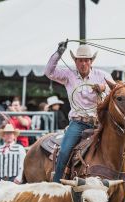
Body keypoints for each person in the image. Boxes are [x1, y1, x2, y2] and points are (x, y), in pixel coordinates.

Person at [45, 42, 113, 183]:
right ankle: (57, 185)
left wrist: (103, 88)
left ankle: (123, 190)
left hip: (99, 123)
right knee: (64, 152)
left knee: (117, 150)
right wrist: (58, 54)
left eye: (86, 60)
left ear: (91, 61)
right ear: (75, 62)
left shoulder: (102, 76)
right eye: (80, 60)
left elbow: (117, 90)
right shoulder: (68, 75)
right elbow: (49, 72)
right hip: (78, 123)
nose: (83, 63)